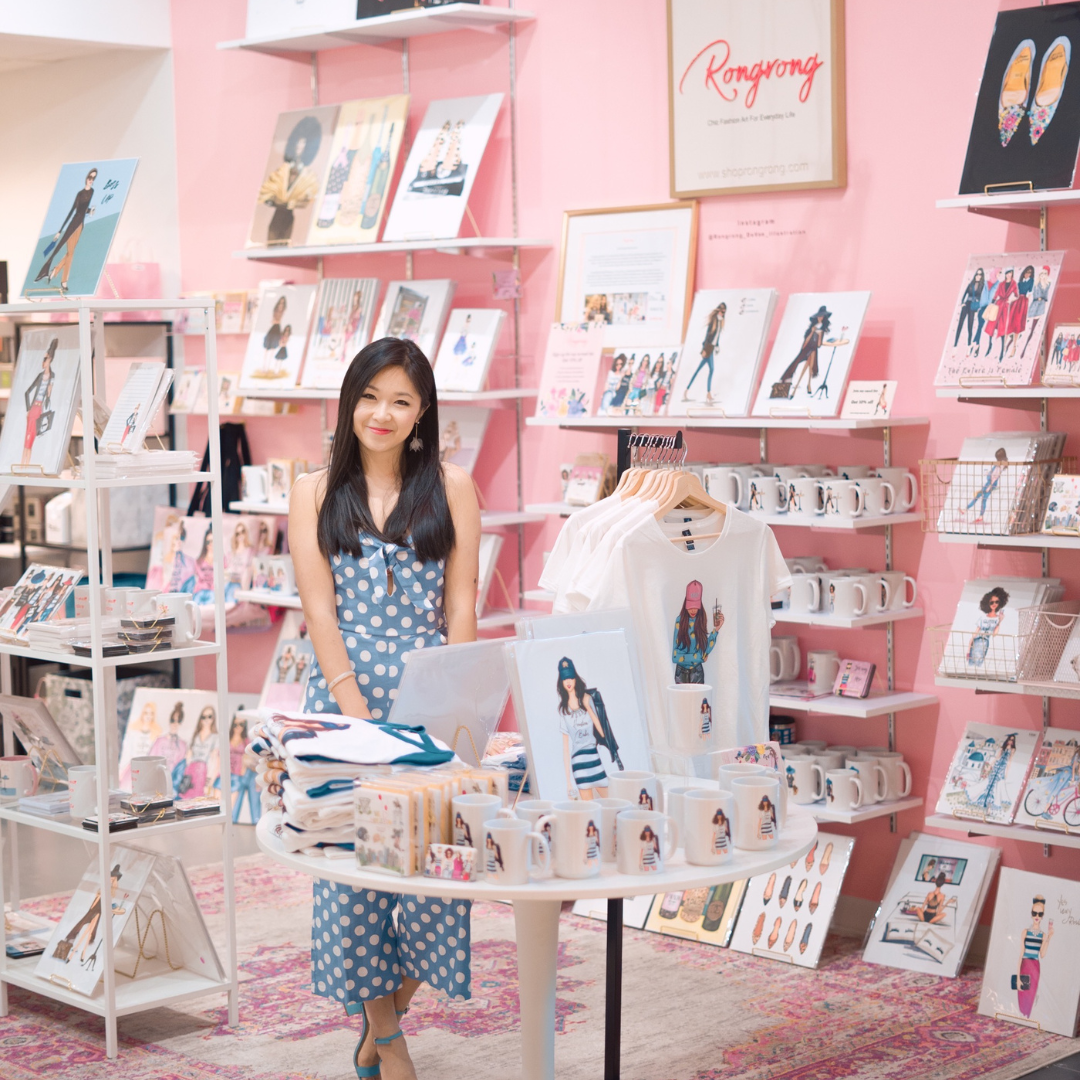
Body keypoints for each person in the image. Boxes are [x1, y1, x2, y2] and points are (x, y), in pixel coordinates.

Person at [289, 335, 481, 1080]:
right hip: (344, 699)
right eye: (370, 397)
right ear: (350, 402)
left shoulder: (453, 487)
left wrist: (454, 700)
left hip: (428, 692)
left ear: (422, 411)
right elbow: (319, 610)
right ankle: (390, 1042)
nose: (383, 413)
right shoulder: (313, 491)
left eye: (401, 400)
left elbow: (460, 604)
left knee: (438, 872)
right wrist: (354, 711)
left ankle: (383, 1017)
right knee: (353, 876)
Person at [34, 168, 97, 291]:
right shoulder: (80, 194)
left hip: (80, 225)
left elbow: (84, 209)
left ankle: (55, 271)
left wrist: (90, 211)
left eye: (93, 178)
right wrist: (60, 231)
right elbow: (73, 211)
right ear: (86, 178)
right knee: (70, 253)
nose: (91, 180)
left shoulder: (92, 191)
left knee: (70, 253)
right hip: (73, 225)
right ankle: (64, 281)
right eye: (90, 177)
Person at [557, 656, 609, 799]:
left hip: (594, 757)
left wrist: (587, 706)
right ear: (561, 682)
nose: (568, 682)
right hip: (578, 762)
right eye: (565, 679)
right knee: (589, 809)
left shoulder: (587, 699)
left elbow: (602, 733)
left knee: (610, 802)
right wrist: (568, 782)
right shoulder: (563, 710)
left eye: (571, 677)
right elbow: (565, 748)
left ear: (575, 679)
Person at [672, 580, 723, 683]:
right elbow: (675, 657)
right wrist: (699, 657)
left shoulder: (701, 621)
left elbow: (705, 650)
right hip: (681, 673)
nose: (693, 610)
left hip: (697, 673)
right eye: (690, 606)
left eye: (696, 606)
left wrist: (716, 629)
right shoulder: (679, 621)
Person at [777, 306, 830, 397]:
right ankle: (787, 381)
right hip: (806, 348)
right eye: (819, 316)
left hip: (814, 349)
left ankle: (808, 385)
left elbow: (819, 345)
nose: (820, 318)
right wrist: (812, 332)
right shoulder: (812, 327)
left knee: (810, 367)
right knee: (796, 363)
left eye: (822, 316)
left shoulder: (822, 329)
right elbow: (806, 341)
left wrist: (820, 334)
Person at [1017, 894, 1054, 1018]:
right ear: (1031, 914)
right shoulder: (1025, 932)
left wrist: (1049, 937)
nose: (1037, 916)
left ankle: (1027, 1017)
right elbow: (1020, 954)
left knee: (1031, 995)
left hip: (1035, 966)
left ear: (1043, 916)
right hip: (1025, 965)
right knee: (1022, 993)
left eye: (1040, 914)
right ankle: (1021, 1016)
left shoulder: (1043, 935)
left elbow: (1042, 954)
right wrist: (1018, 977)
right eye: (1034, 913)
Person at [22, 342, 57, 466]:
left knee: (33, 436)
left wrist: (49, 392)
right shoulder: (40, 376)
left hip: (41, 409)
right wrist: (28, 408)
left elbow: (49, 396)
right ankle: (23, 464)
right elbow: (27, 392)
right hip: (34, 408)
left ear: (50, 359)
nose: (43, 362)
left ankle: (26, 465)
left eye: (45, 359)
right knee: (28, 434)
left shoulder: (52, 376)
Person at [684, 302, 726, 403]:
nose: (722, 313)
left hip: (712, 348)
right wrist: (704, 349)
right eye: (721, 311)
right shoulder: (714, 321)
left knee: (700, 370)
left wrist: (717, 346)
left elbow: (717, 337)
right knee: (710, 369)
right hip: (708, 349)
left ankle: (688, 390)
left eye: (724, 312)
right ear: (718, 310)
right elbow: (708, 335)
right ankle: (707, 393)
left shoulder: (720, 322)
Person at [967, 586, 1009, 666]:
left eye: (996, 602)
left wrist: (1000, 621)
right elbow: (975, 633)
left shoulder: (997, 618)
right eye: (991, 602)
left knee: (978, 663)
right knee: (971, 662)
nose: (994, 604)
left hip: (985, 642)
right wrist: (968, 649)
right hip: (976, 641)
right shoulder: (982, 617)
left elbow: (994, 634)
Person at [954, 268, 984, 349]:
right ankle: (955, 345)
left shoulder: (982, 286)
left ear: (982, 276)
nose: (978, 276)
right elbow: (964, 294)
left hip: (973, 306)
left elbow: (981, 297)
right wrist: (962, 303)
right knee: (960, 325)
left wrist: (978, 307)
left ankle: (968, 345)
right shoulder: (971, 284)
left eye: (980, 274)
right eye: (977, 274)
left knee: (970, 326)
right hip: (967, 304)